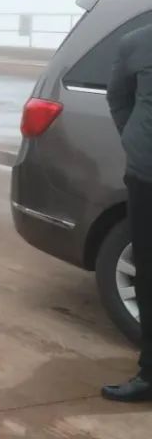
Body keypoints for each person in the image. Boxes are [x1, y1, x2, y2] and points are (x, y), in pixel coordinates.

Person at [102, 22, 152, 403]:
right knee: (148, 273)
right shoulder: (136, 42)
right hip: (147, 176)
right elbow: (118, 98)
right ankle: (150, 373)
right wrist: (136, 140)